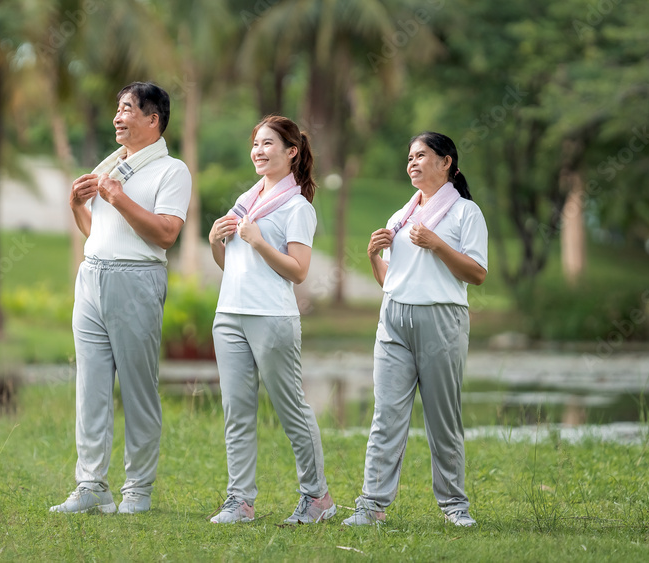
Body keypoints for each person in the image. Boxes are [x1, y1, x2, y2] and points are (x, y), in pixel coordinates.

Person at [50, 82, 192, 515]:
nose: (117, 116)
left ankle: (138, 490)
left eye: (127, 109)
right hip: (92, 277)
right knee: (90, 387)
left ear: (153, 119)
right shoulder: (111, 168)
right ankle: (91, 485)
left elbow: (166, 234)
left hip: (137, 280)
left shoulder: (172, 171)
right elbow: (103, 235)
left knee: (137, 388)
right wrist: (79, 206)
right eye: (117, 107)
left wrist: (118, 197)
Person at [342, 132, 488, 527]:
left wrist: (438, 244)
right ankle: (371, 506)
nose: (412, 162)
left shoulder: (465, 214)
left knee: (443, 417)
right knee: (386, 415)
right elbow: (392, 279)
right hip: (393, 319)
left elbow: (476, 274)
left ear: (447, 162)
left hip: (441, 319)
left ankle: (455, 506)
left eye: (421, 155)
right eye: (409, 157)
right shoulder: (400, 217)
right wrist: (374, 256)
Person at [206, 116, 335, 524]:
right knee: (237, 410)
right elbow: (229, 264)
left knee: (291, 407)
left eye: (268, 144)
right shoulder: (245, 203)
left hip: (272, 318)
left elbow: (298, 271)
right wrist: (214, 240)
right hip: (229, 315)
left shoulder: (297, 208)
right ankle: (240, 501)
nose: (258, 151)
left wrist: (259, 241)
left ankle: (318, 499)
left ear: (291, 151)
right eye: (255, 144)